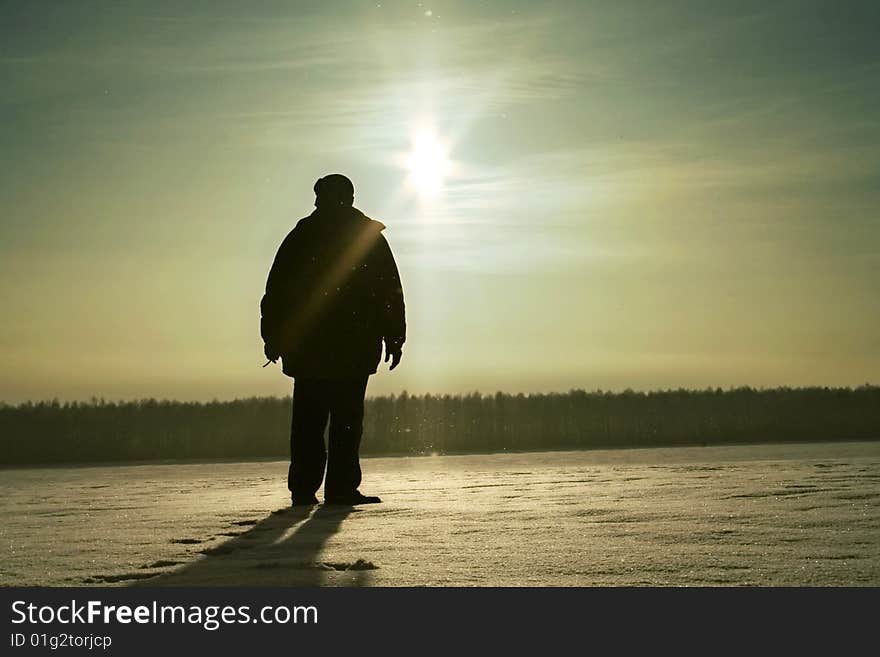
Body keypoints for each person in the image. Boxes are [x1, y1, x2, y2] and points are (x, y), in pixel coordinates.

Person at [260, 174, 406, 506]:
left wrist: (274, 335)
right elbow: (389, 292)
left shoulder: (302, 237)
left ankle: (305, 489)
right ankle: (336, 489)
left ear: (319, 198)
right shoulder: (363, 238)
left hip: (313, 347)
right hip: (351, 345)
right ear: (351, 198)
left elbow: (277, 292)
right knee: (344, 422)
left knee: (310, 423)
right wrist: (394, 336)